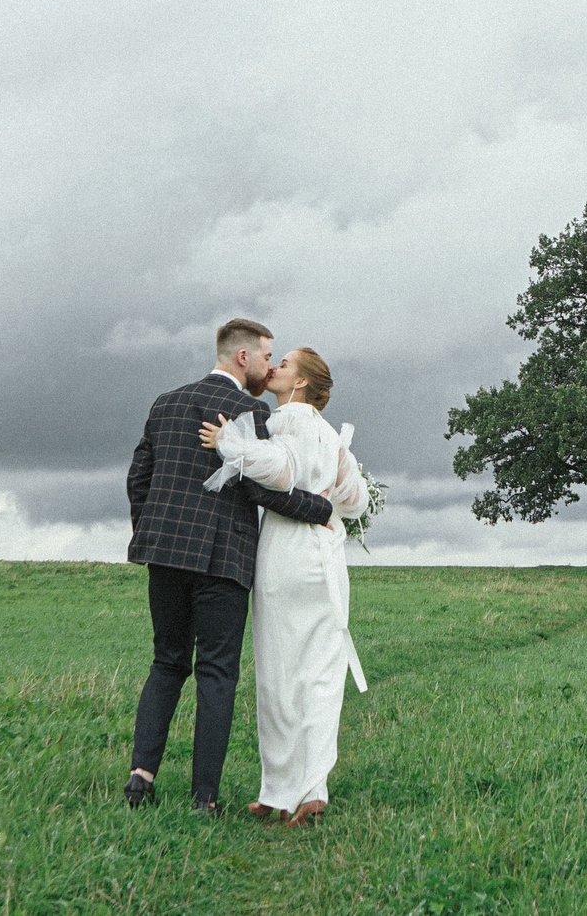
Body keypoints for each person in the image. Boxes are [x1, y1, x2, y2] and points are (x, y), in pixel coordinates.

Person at [123, 318, 336, 815]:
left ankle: (141, 777)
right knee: (216, 674)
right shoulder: (250, 410)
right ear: (244, 357)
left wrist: (152, 534)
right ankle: (204, 797)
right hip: (224, 559)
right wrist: (320, 510)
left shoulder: (165, 402)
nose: (269, 365)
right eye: (267, 356)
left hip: (165, 555)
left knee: (166, 662)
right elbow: (263, 488)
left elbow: (139, 479)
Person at [198, 345, 371, 827]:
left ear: (299, 385)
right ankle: (313, 789)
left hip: (286, 556)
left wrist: (230, 445)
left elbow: (279, 472)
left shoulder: (287, 420)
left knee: (277, 672)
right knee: (319, 673)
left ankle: (277, 791)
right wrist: (327, 491)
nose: (273, 368)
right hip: (327, 558)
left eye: (284, 364)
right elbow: (355, 501)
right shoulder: (332, 435)